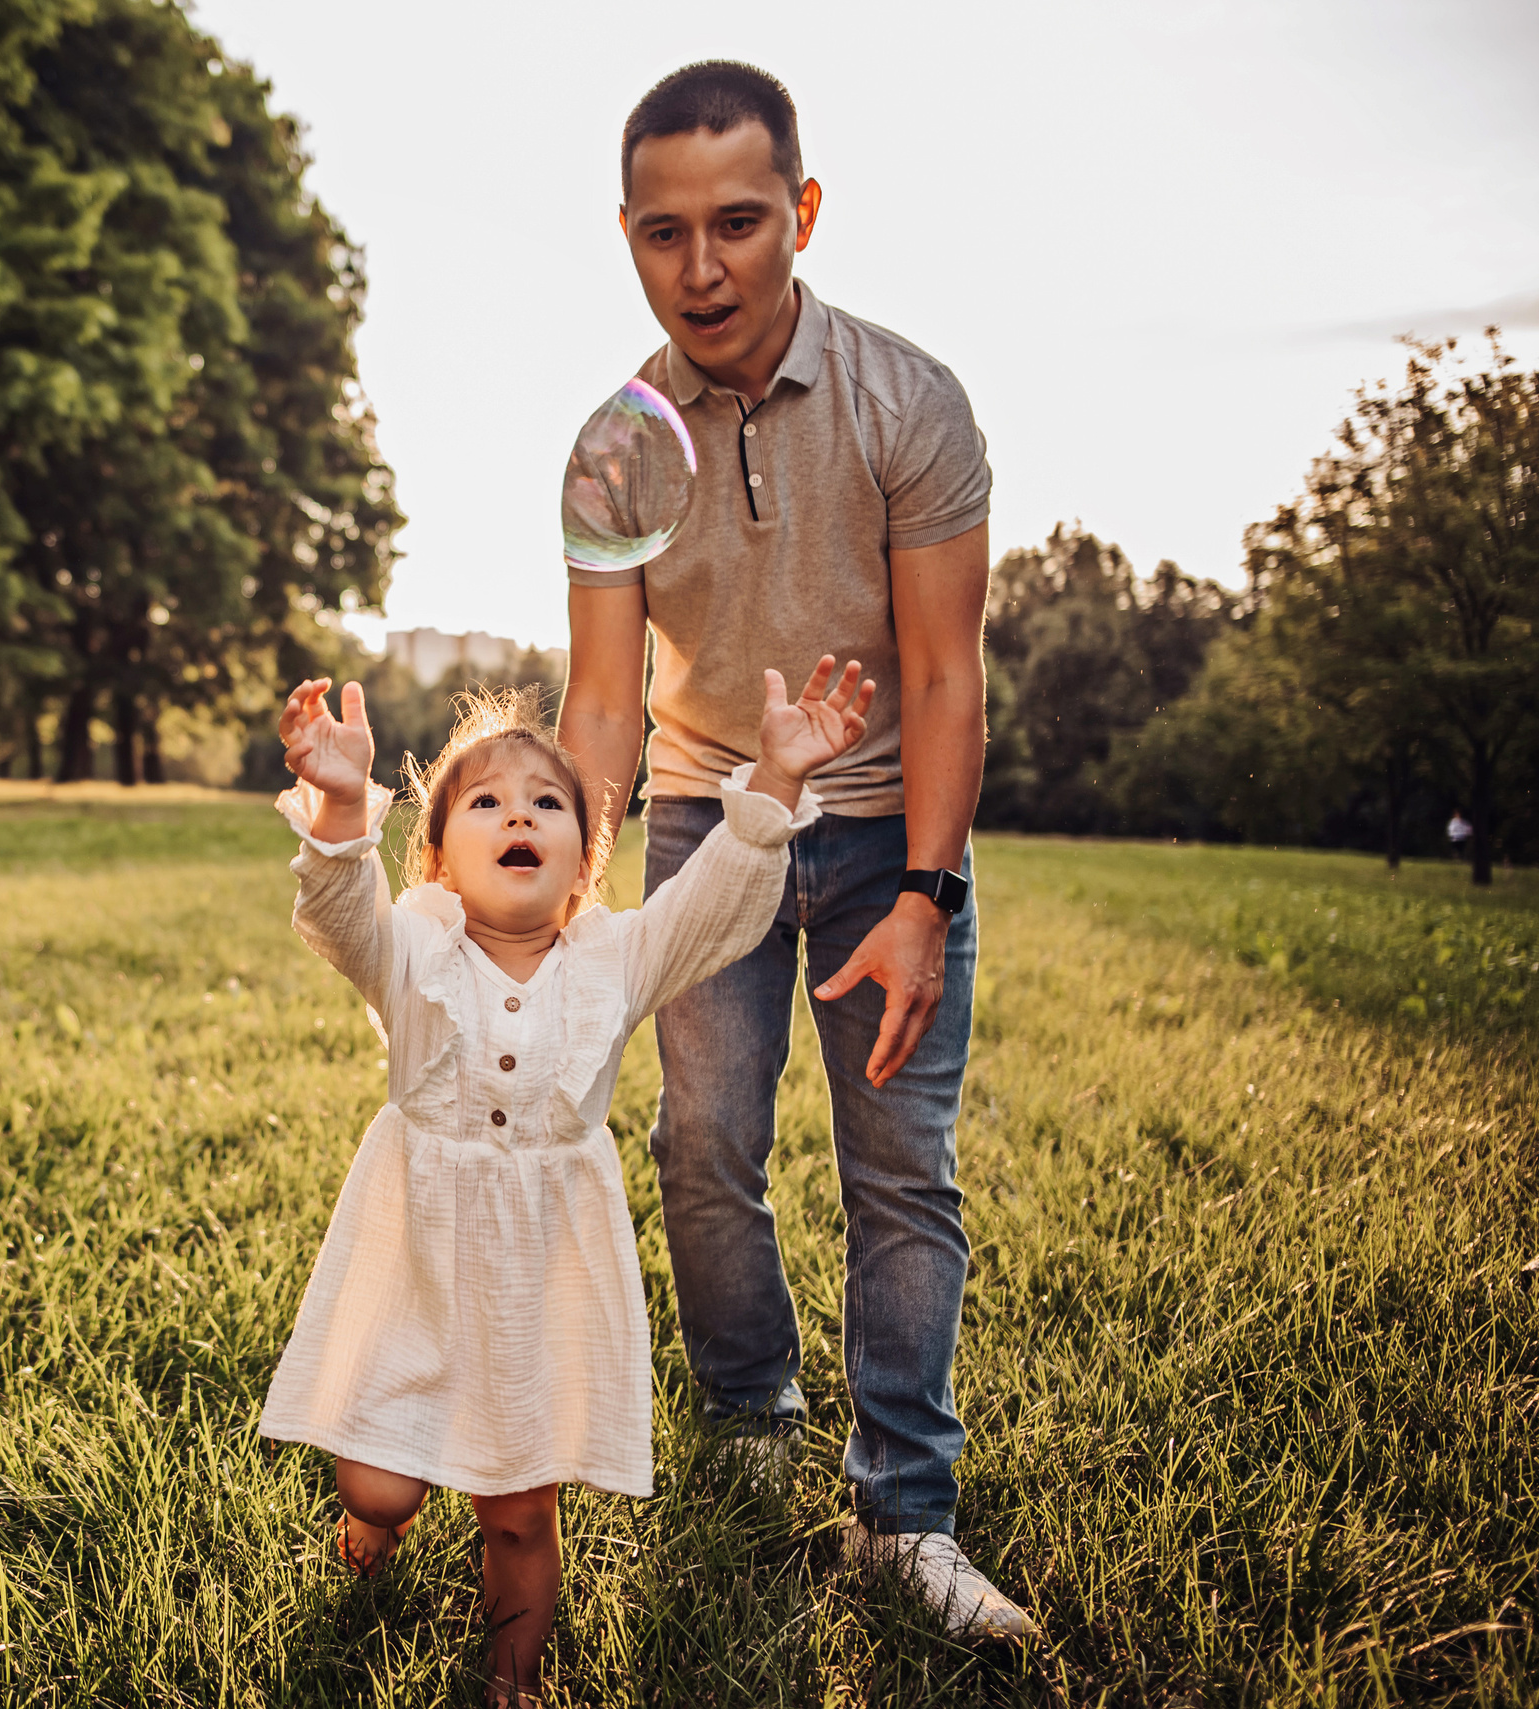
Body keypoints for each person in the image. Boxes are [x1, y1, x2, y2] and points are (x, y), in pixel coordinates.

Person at [554, 61, 1034, 1640]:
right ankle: (749, 1420)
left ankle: (908, 1514)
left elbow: (949, 671)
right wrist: (560, 894)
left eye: (741, 224)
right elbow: (606, 705)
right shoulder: (614, 451)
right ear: (627, 234)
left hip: (893, 818)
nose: (704, 269)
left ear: (802, 214)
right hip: (709, 819)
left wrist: (925, 893)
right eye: (666, 233)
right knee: (705, 1146)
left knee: (902, 1171)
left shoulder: (912, 404)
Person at [263, 659, 868, 1706]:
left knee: (518, 1503)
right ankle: (369, 1530)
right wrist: (346, 800)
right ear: (442, 857)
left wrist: (773, 777)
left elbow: (712, 909)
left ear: (581, 864)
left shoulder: (612, 958)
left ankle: (514, 1678)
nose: (520, 813)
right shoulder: (414, 947)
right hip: (413, 1254)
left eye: (547, 802)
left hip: (537, 1274)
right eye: (488, 800)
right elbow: (341, 916)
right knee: (377, 1472)